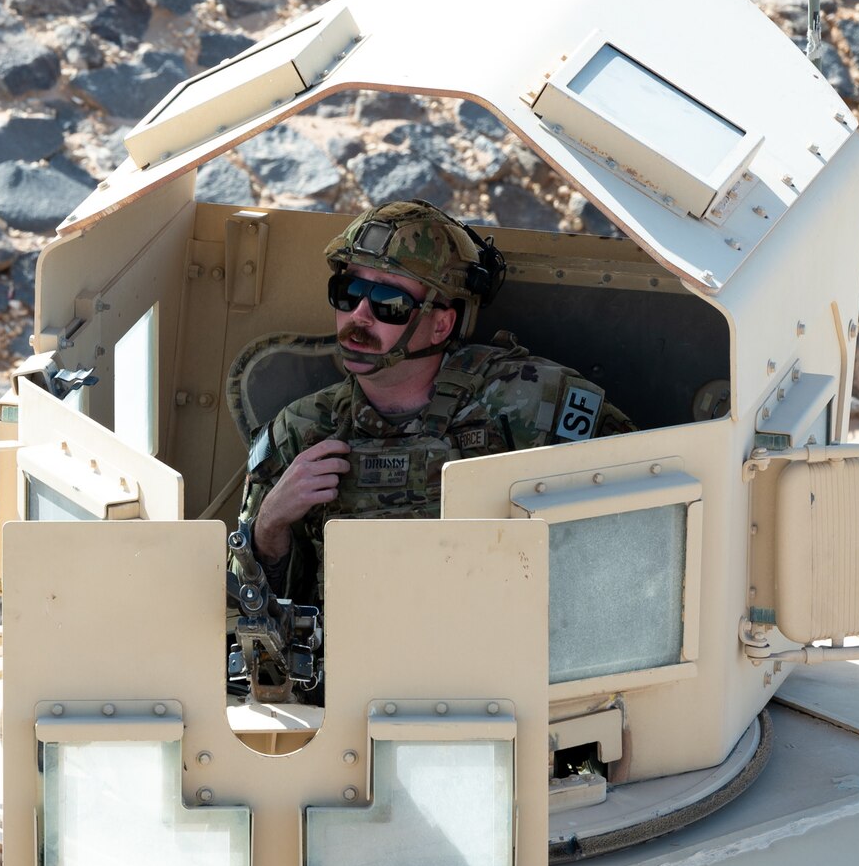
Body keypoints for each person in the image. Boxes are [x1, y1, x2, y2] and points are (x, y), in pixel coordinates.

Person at [236, 199, 632, 609]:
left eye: (388, 304)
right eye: (348, 293)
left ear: (441, 323)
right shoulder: (301, 431)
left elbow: (635, 531)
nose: (359, 317)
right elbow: (244, 615)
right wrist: (269, 525)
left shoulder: (529, 402)